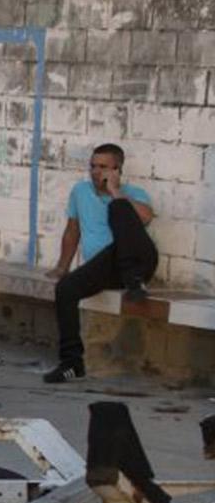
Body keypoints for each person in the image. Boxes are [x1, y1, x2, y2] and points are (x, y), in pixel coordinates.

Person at [42, 144, 157, 383]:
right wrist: (62, 267)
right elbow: (72, 230)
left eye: (103, 167)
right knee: (65, 288)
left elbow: (146, 217)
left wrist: (115, 192)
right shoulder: (80, 192)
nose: (95, 172)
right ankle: (72, 363)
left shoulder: (133, 193)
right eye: (92, 166)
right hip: (105, 268)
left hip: (140, 262)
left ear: (117, 169)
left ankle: (134, 280)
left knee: (119, 209)